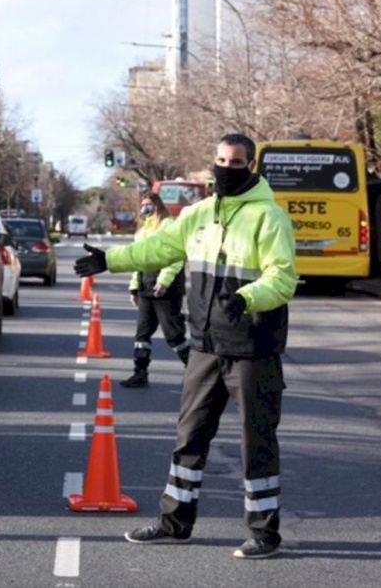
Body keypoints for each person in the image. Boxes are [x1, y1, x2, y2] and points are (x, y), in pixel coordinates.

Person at [74, 133, 297, 559]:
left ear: (250, 166)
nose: (225, 168)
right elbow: (159, 247)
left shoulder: (269, 217)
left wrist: (248, 297)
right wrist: (110, 261)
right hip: (206, 346)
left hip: (253, 346)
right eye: (219, 159)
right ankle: (174, 523)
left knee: (258, 440)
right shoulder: (197, 214)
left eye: (234, 162)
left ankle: (264, 534)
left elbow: (283, 277)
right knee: (188, 438)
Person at [122, 191, 190, 388]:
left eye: (149, 204)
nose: (145, 209)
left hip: (166, 289)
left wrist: (164, 281)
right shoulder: (142, 230)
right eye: (143, 205)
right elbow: (137, 259)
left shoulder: (168, 225)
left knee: (174, 335)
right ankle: (140, 372)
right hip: (146, 286)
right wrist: (134, 287)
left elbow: (176, 256)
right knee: (142, 334)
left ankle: (197, 374)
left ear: (158, 205)